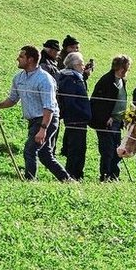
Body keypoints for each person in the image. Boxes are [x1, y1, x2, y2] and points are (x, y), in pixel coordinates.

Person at [0, 44, 70, 181]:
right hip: (33, 120)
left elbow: (49, 107)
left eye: (21, 56)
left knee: (29, 150)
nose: (17, 59)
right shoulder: (18, 78)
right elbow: (13, 99)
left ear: (30, 60)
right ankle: (67, 180)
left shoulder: (44, 79)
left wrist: (43, 129)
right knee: (45, 155)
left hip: (47, 119)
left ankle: (29, 181)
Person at [90, 54, 131, 182]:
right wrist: (106, 117)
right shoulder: (106, 81)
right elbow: (96, 102)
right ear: (121, 68)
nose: (128, 71)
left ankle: (114, 176)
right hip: (107, 123)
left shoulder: (122, 81)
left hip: (118, 122)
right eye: (127, 68)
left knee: (117, 151)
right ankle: (105, 177)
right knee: (107, 151)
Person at [55, 52, 92, 181]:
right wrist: (84, 113)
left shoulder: (76, 78)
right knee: (76, 150)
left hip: (79, 120)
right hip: (75, 120)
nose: (83, 67)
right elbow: (70, 101)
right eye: (81, 64)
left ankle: (77, 175)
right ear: (75, 65)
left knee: (80, 149)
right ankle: (71, 176)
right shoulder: (70, 79)